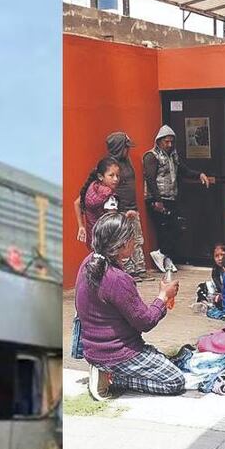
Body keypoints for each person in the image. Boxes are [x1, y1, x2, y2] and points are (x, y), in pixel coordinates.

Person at [75, 212, 184, 398]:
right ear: (122, 244)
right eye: (132, 238)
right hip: (117, 353)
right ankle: (112, 377)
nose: (135, 242)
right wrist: (163, 297)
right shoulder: (117, 279)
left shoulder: (90, 262)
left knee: (167, 361)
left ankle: (106, 370)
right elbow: (145, 321)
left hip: (92, 348)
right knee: (175, 381)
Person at [142, 124, 212, 265]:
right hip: (158, 199)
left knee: (175, 228)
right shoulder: (152, 156)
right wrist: (157, 200)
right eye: (166, 141)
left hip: (171, 197)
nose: (169, 144)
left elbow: (184, 170)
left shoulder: (173, 156)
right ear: (159, 141)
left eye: (171, 141)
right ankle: (161, 254)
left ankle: (165, 256)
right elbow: (150, 178)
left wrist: (199, 174)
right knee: (166, 229)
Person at [106, 131, 146, 278]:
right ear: (118, 147)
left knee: (137, 239)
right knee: (124, 240)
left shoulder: (127, 161)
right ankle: (128, 270)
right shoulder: (110, 166)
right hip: (120, 209)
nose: (128, 150)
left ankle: (140, 268)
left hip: (132, 207)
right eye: (125, 147)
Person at [73, 156, 120, 245]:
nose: (116, 179)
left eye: (117, 175)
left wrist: (81, 226)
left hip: (93, 240)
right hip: (106, 243)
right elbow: (113, 223)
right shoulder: (109, 195)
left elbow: (76, 203)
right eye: (111, 175)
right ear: (100, 176)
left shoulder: (91, 186)